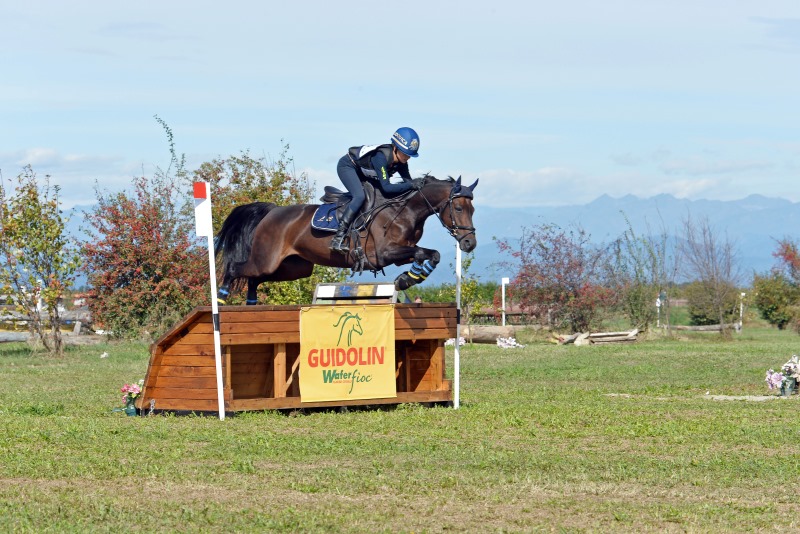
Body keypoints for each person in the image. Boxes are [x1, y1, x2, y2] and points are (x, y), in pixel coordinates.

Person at [330, 127, 423, 253]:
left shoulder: (401, 162)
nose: (408, 158)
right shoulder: (381, 158)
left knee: (379, 197)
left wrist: (421, 187)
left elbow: (408, 184)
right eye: (406, 153)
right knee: (359, 196)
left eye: (410, 155)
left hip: (364, 172)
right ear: (395, 148)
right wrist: (411, 185)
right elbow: (388, 188)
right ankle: (339, 236)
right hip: (348, 166)